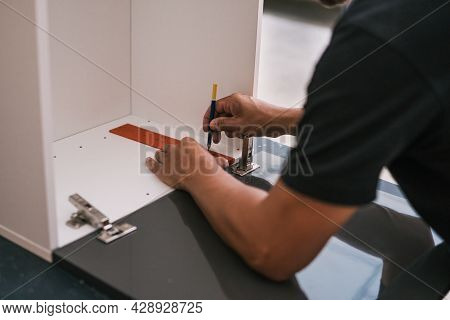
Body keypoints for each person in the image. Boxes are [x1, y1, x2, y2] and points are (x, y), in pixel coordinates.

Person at [146, 0, 450, 298]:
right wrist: (282, 120)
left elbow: (274, 247)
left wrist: (196, 173)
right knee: (407, 238)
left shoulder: (378, 37)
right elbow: (398, 104)